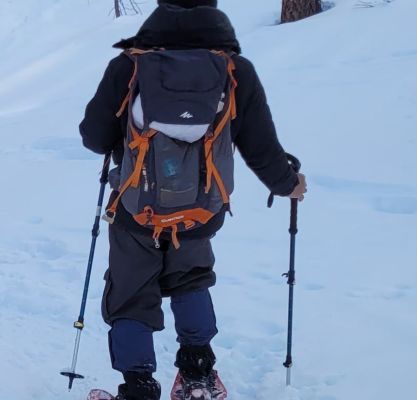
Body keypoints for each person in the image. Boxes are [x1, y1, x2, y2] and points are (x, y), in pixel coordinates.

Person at [76, 1, 307, 399]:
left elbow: (94, 137)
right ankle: (198, 376)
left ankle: (139, 387)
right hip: (201, 210)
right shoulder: (235, 70)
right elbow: (261, 146)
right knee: (191, 280)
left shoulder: (130, 66)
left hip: (135, 210)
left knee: (130, 292)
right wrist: (288, 184)